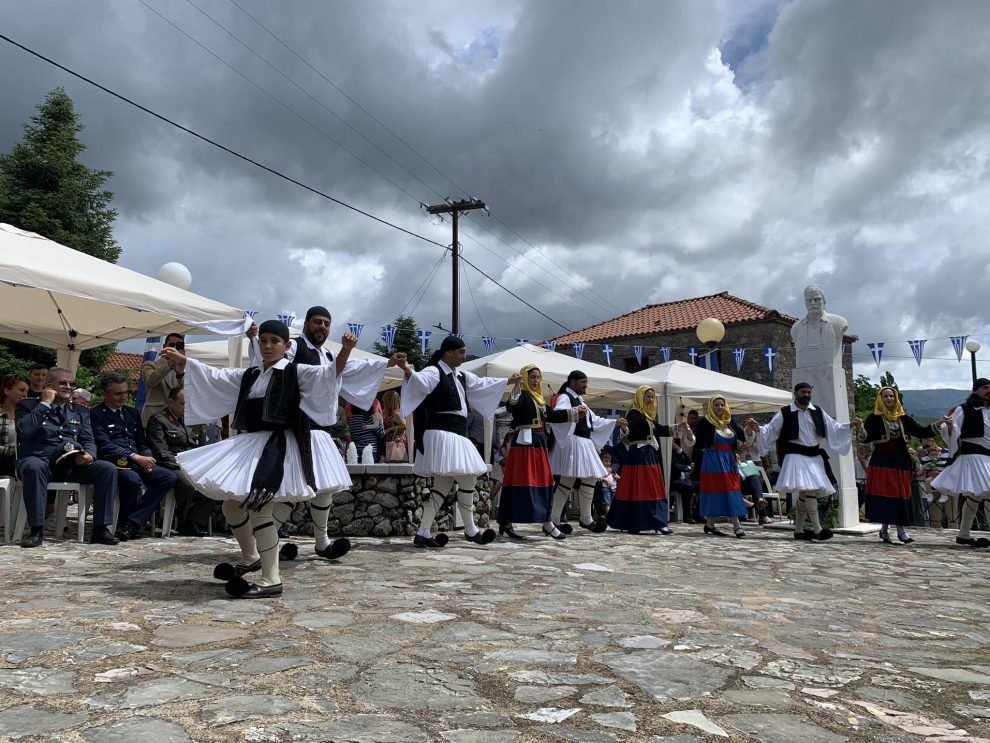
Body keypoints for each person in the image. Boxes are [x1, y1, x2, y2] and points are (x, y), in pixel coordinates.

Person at [163, 320, 402, 598]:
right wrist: (184, 361)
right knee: (232, 507)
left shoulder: (296, 372)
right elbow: (216, 377)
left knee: (260, 508)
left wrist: (346, 351)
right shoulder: (250, 374)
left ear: (287, 346)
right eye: (263, 341)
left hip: (278, 447)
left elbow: (329, 375)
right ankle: (250, 556)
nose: (267, 346)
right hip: (250, 445)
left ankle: (270, 579)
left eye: (274, 341)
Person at [399, 335, 520, 548]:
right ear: (449, 352)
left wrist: (508, 381)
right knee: (468, 478)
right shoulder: (435, 370)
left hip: (454, 434)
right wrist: (408, 370)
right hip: (442, 432)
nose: (464, 356)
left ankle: (423, 532)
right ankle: (471, 530)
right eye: (461, 352)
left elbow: (483, 384)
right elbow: (421, 381)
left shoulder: (461, 376)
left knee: (443, 485)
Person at [15, 367, 120, 547]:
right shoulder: (28, 406)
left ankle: (101, 529)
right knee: (34, 467)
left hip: (69, 465)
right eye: (63, 383)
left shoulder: (80, 411)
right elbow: (24, 431)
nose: (68, 387)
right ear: (48, 386)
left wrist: (90, 456)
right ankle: (36, 530)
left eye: (72, 384)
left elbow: (88, 439)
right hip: (39, 461)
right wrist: (44, 404)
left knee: (106, 468)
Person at [747, 382, 859, 541]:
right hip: (796, 456)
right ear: (795, 393)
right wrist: (758, 429)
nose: (806, 395)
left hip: (814, 456)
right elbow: (771, 430)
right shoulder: (785, 412)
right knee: (810, 490)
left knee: (805, 494)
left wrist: (850, 426)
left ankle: (799, 530)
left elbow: (833, 427)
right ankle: (818, 530)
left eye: (808, 392)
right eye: (803, 392)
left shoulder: (817, 411)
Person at [90, 372, 176, 541]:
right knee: (131, 479)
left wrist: (147, 457)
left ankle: (132, 521)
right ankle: (124, 523)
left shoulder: (132, 413)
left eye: (126, 393)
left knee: (168, 477)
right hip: (115, 462)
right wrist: (135, 457)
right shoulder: (96, 414)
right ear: (105, 393)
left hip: (138, 460)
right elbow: (104, 444)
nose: (123, 397)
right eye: (118, 393)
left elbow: (141, 441)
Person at [859, 386, 948, 544]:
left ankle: (897, 530)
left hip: (900, 462)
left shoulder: (904, 418)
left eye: (892, 396)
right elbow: (865, 439)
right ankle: (889, 530)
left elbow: (921, 431)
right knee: (886, 496)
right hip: (882, 462)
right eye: (885, 396)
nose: (889, 399)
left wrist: (940, 422)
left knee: (899, 495)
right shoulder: (874, 418)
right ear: (880, 399)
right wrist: (860, 429)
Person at [496, 365, 573, 541]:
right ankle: (507, 521)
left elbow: (553, 415)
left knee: (545, 482)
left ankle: (547, 522)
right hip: (524, 445)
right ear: (524, 378)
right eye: (532, 377)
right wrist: (516, 386)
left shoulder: (539, 399)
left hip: (539, 443)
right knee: (520, 482)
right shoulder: (522, 396)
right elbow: (512, 406)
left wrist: (574, 413)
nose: (536, 380)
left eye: (538, 377)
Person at [609, 385, 692, 534]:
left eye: (652, 397)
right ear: (640, 397)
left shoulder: (648, 416)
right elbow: (628, 431)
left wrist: (678, 426)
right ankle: (635, 522)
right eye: (647, 396)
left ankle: (658, 521)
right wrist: (624, 428)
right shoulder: (634, 413)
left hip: (649, 455)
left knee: (653, 488)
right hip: (638, 456)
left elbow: (660, 430)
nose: (650, 399)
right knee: (639, 488)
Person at [548, 370, 620, 534]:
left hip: (583, 443)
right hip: (574, 442)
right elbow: (557, 415)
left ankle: (574, 518)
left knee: (580, 479)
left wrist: (615, 422)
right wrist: (574, 412)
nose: (585, 385)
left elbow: (593, 420)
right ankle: (566, 519)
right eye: (583, 382)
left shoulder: (579, 399)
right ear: (573, 382)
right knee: (569, 480)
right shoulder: (565, 397)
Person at [146, 387, 216, 536]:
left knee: (215, 483)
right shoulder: (158, 420)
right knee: (186, 483)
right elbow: (161, 452)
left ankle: (194, 521)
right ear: (171, 402)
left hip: (194, 465)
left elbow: (202, 449)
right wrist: (184, 466)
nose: (187, 408)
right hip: (171, 464)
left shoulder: (194, 422)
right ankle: (184, 522)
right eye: (183, 403)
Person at [932, 378, 990, 549]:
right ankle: (964, 534)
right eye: (985, 388)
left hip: (987, 458)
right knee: (986, 494)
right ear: (976, 390)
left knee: (975, 496)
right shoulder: (964, 409)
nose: (989, 390)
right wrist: (950, 427)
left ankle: (964, 535)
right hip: (974, 457)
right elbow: (951, 429)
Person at [688, 395, 749, 538]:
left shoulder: (730, 421)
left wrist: (749, 430)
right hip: (713, 460)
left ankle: (710, 525)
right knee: (720, 490)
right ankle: (737, 526)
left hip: (729, 460)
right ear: (711, 407)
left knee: (730, 490)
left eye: (722, 405)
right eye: (716, 405)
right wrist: (690, 435)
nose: (720, 408)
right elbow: (695, 441)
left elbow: (742, 437)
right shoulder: (705, 422)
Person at [791, 284, 848, 369]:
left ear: (824, 301)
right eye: (809, 300)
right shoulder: (796, 328)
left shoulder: (839, 322)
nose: (813, 303)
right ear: (805, 303)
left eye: (817, 299)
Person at [140, 333, 185, 427]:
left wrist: (180, 374)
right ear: (164, 346)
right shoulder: (150, 365)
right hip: (153, 418)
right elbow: (150, 381)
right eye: (172, 345)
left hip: (176, 421)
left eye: (178, 345)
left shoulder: (185, 368)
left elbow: (188, 392)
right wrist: (170, 362)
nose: (174, 348)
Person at [1, 375, 29, 476]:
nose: (25, 394)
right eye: (22, 390)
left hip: (21, 462)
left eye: (27, 392)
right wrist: (11, 451)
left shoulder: (28, 416)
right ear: (7, 391)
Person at [382, 389, 408, 463]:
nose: (383, 403)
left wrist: (390, 429)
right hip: (391, 442)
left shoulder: (396, 414)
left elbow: (404, 425)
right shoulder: (390, 413)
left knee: (395, 463)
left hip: (396, 443)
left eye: (384, 401)